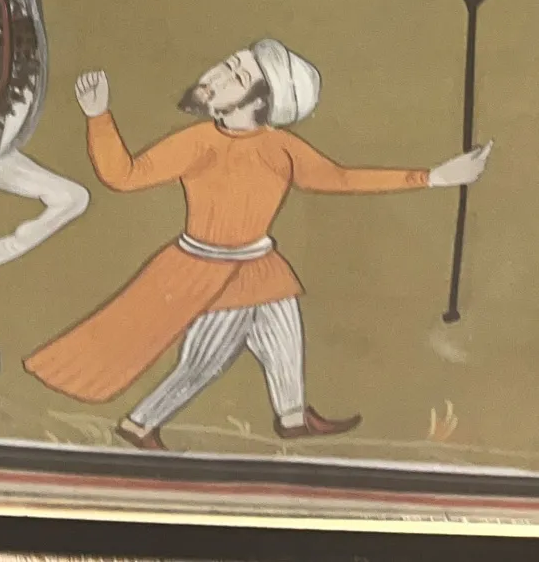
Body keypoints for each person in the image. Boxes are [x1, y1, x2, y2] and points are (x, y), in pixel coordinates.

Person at [24, 41, 491, 451]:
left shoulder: (280, 148)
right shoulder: (199, 142)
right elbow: (124, 176)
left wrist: (432, 177)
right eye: (227, 65)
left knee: (285, 333)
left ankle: (292, 416)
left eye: (236, 75)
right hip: (210, 270)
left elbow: (342, 178)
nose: (217, 76)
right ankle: (140, 422)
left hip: (259, 263)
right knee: (205, 362)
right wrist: (98, 117)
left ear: (260, 100)